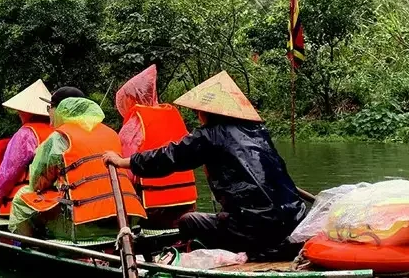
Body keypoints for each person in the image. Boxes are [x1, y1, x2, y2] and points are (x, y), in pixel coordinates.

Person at [104, 71, 306, 256]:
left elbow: (169, 156)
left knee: (188, 221)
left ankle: (207, 253)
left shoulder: (211, 135)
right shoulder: (259, 133)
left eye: (198, 112)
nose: (198, 116)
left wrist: (123, 161)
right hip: (295, 222)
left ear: (207, 113)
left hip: (254, 228)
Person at [8, 87, 147, 239]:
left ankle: (29, 247)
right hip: (125, 220)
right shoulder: (111, 133)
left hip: (84, 225)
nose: (49, 112)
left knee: (21, 196)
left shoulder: (58, 138)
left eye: (50, 107)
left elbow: (37, 183)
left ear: (61, 109)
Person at [116, 65, 197, 228]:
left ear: (130, 99)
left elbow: (126, 172)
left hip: (154, 205)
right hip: (187, 202)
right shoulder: (172, 115)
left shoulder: (134, 124)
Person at [0, 80, 54, 218]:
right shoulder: (58, 131)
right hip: (53, 200)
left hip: (26, 203)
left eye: (20, 110)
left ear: (27, 112)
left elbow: (7, 174)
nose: (18, 113)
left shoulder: (25, 134)